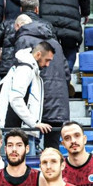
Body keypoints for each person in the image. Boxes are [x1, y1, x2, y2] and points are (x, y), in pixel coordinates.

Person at [14, 17, 70, 149]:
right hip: (57, 103)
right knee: (53, 151)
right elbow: (67, 74)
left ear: (19, 26)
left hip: (33, 104)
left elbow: (17, 74)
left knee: (28, 150)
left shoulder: (23, 40)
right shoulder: (56, 44)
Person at [25, 0, 89, 69]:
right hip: (69, 18)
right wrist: (85, 12)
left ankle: (51, 78)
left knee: (46, 50)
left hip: (45, 18)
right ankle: (66, 76)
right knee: (69, 50)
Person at [0, 40, 54, 150]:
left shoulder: (21, 66)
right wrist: (33, 123)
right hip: (21, 130)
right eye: (47, 60)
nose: (47, 64)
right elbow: (15, 98)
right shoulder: (26, 69)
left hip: (18, 129)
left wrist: (0, 103)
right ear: (38, 54)